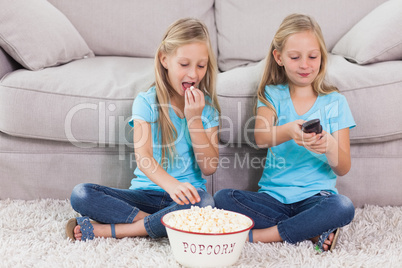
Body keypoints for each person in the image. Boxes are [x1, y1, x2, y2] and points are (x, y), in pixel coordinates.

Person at [66, 18, 220, 241]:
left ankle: (114, 231)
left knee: (205, 204)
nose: (193, 75)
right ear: (164, 59)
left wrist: (194, 120)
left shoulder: (208, 109)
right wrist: (172, 185)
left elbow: (210, 167)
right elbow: (144, 157)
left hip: (187, 198)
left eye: (201, 66)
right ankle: (159, 223)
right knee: (81, 193)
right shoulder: (146, 102)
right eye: (184, 64)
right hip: (144, 194)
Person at [214, 13, 355, 252]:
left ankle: (262, 236)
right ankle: (310, 231)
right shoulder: (272, 95)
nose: (305, 64)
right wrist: (289, 130)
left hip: (316, 198)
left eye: (312, 56)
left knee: (343, 207)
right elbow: (261, 137)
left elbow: (343, 167)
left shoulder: (335, 102)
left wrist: (330, 146)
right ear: (279, 57)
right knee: (222, 199)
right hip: (273, 199)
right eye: (295, 57)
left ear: (321, 56)